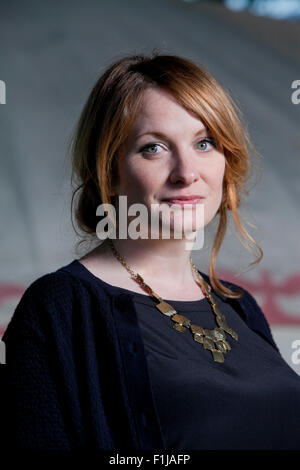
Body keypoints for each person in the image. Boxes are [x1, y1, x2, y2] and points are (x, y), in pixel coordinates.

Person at [2, 51, 300, 451]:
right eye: (153, 148)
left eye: (204, 143)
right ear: (109, 169)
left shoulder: (240, 305)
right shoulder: (59, 308)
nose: (186, 171)